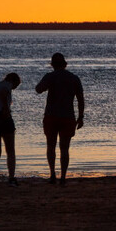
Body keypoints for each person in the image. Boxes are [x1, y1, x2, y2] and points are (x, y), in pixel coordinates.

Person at [35, 53, 84, 185]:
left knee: (51, 146)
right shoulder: (73, 78)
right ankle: (63, 177)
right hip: (68, 117)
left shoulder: (50, 77)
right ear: (65, 64)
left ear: (52, 65)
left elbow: (38, 89)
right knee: (65, 148)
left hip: (51, 116)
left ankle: (52, 175)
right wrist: (81, 117)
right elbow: (80, 98)